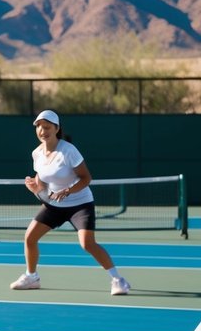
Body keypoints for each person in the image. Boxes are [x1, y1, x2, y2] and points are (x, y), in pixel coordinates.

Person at [12, 110, 131, 295]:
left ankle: (118, 280)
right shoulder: (37, 154)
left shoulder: (68, 150)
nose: (43, 131)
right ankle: (31, 277)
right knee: (30, 237)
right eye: (39, 127)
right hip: (54, 205)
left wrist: (68, 191)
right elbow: (42, 184)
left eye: (47, 127)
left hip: (80, 204)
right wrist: (35, 188)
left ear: (57, 128)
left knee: (87, 244)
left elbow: (86, 178)